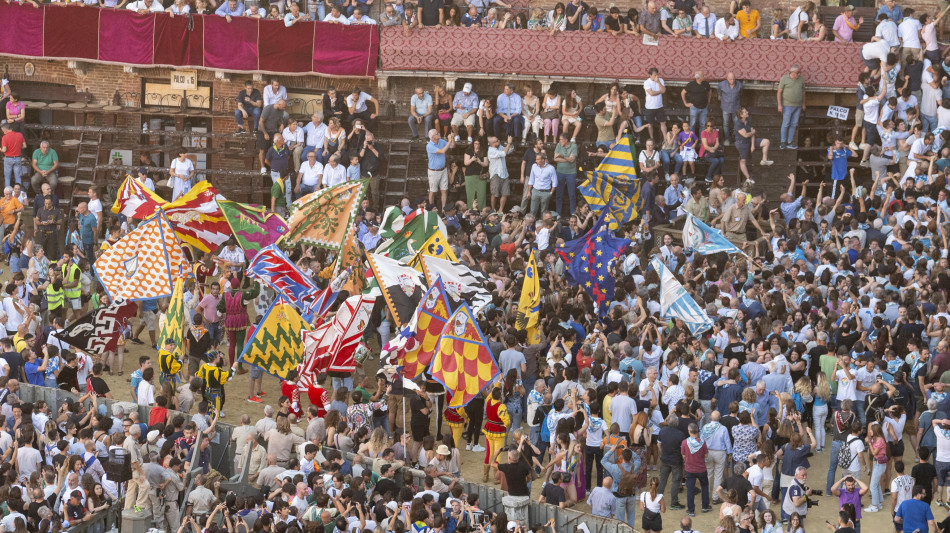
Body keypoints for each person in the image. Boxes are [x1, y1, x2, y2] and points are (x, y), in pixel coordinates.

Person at [426, 128, 455, 210]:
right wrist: (449, 141)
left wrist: (452, 138)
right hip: (433, 172)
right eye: (437, 133)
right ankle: (431, 209)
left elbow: (452, 146)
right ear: (433, 137)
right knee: (433, 191)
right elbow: (442, 151)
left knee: (444, 190)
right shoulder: (429, 146)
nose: (439, 133)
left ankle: (443, 209)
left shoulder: (441, 141)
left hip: (443, 170)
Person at [778, 65, 806, 150]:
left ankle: (790, 142)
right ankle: (783, 142)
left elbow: (803, 92)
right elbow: (779, 92)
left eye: (800, 72)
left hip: (798, 106)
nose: (799, 74)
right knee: (786, 123)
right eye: (798, 72)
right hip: (787, 105)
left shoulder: (801, 79)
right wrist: (779, 105)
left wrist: (803, 103)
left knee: (794, 124)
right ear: (792, 72)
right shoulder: (784, 78)